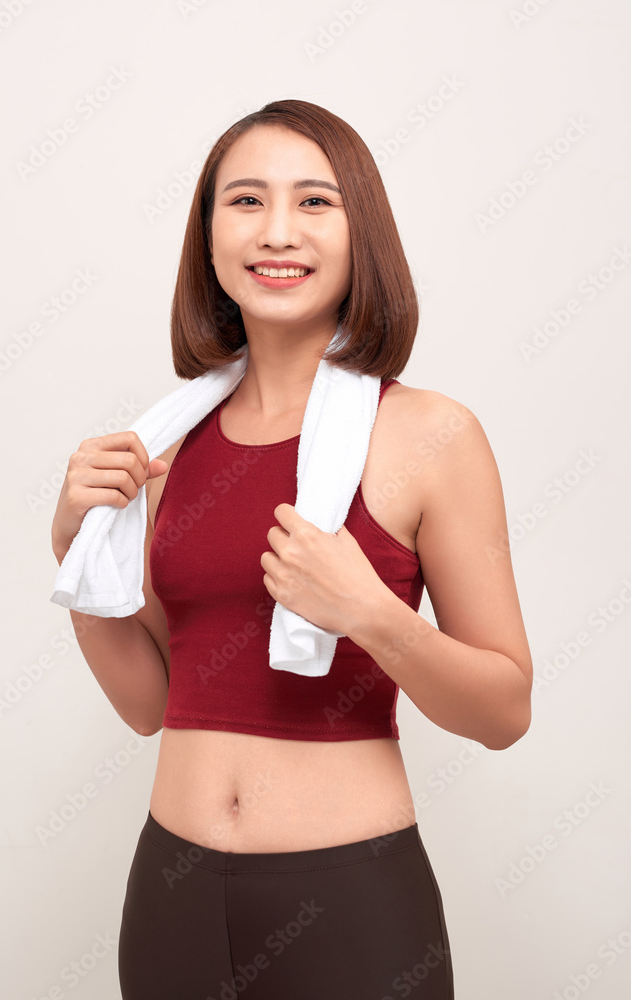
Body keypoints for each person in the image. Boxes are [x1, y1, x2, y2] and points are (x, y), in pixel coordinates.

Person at [51, 99, 533, 999]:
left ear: (362, 234)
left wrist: (372, 617)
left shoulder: (429, 433)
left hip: (348, 897)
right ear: (207, 237)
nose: (277, 231)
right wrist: (80, 558)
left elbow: (504, 710)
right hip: (171, 894)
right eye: (245, 201)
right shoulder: (165, 449)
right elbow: (151, 704)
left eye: (314, 202)